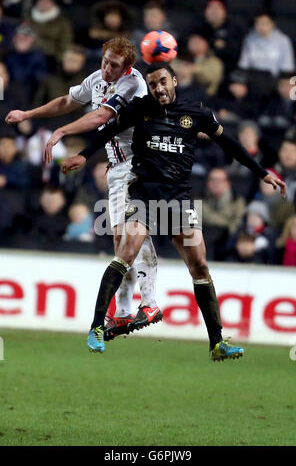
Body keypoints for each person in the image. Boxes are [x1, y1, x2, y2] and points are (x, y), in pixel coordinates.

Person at [61, 63, 286, 359]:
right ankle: (96, 327)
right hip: (143, 197)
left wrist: (261, 172)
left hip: (178, 202)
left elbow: (228, 143)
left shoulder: (197, 113)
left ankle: (217, 343)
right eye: (153, 84)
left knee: (200, 266)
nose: (158, 89)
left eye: (163, 82)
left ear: (174, 81)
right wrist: (83, 155)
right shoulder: (140, 108)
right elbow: (108, 131)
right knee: (126, 254)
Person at [5, 36, 160, 341]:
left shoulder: (133, 84)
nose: (107, 69)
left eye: (114, 65)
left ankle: (150, 304)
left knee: (132, 236)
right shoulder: (96, 78)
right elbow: (67, 101)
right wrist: (28, 114)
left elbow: (102, 116)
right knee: (120, 241)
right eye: (104, 61)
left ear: (127, 66)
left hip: (140, 164)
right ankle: (126, 312)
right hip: (116, 167)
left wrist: (62, 130)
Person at [238, 12, 295, 77]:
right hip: (253, 77)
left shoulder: (283, 40)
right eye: (258, 23)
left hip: (275, 78)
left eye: (264, 23)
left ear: (272, 24)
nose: (261, 26)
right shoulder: (249, 39)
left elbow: (288, 66)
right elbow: (244, 63)